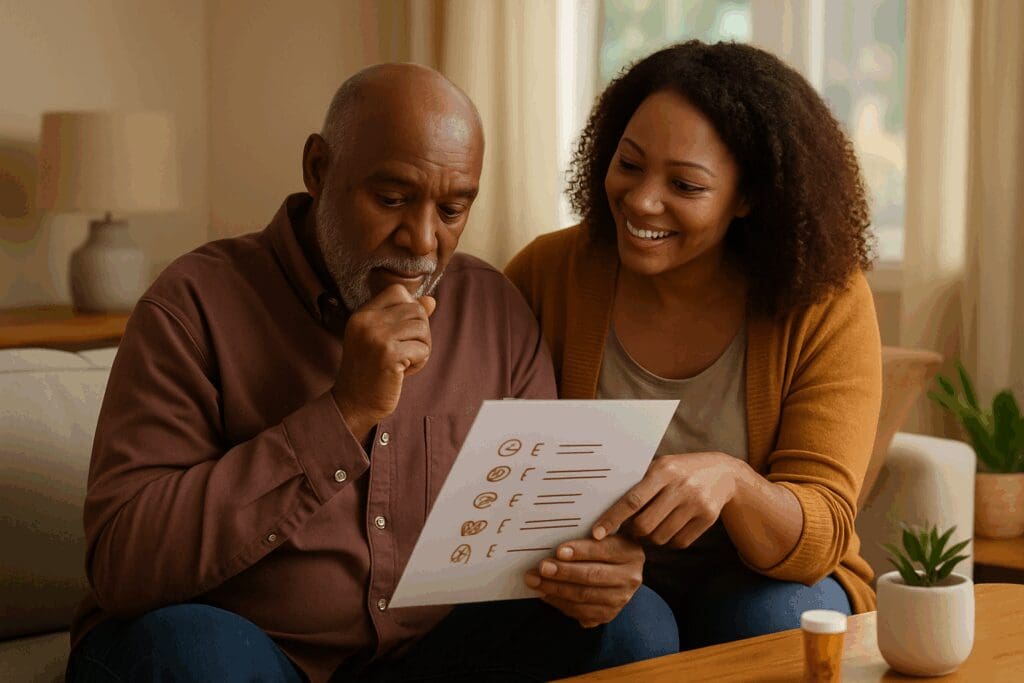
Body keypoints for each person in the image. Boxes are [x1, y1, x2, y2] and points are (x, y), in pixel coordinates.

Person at [66, 63, 678, 683]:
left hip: (428, 658)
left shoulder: (494, 310)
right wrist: (345, 411)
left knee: (635, 623)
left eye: (452, 209)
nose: (421, 240)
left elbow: (541, 534)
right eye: (391, 199)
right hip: (245, 651)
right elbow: (122, 564)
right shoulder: (192, 305)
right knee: (194, 654)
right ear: (317, 169)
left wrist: (595, 567)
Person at [505, 40, 882, 651]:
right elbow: (486, 468)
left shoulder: (823, 299)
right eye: (629, 164)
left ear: (751, 197)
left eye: (685, 184)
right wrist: (583, 556)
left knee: (766, 623)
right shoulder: (548, 273)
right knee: (631, 631)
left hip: (773, 577)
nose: (642, 200)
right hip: (594, 571)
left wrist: (734, 482)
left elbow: (823, 530)